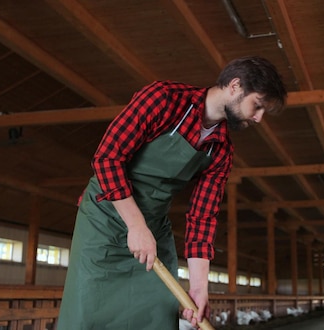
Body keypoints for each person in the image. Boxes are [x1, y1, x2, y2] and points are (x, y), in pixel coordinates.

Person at [57, 56, 287, 329]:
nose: (259, 117)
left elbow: (202, 217)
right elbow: (107, 159)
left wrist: (200, 288)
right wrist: (135, 225)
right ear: (235, 86)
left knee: (157, 314)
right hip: (103, 220)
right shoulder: (163, 99)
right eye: (257, 105)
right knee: (89, 313)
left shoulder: (221, 149)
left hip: (153, 228)